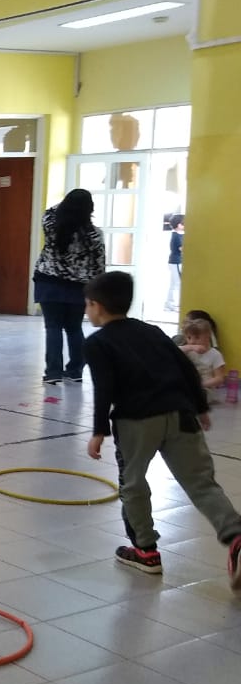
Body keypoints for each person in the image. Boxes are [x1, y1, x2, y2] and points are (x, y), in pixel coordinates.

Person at [83, 270, 241, 587]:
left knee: (134, 483)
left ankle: (146, 551)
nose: (86, 311)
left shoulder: (97, 343)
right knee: (201, 483)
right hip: (181, 413)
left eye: (87, 305)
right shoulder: (152, 331)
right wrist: (200, 407)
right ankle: (235, 535)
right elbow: (185, 369)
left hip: (137, 420)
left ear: (97, 306)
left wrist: (99, 430)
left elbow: (104, 387)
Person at [33, 189, 106, 384]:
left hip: (49, 282)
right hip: (79, 288)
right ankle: (75, 371)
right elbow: (99, 265)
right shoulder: (94, 235)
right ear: (90, 209)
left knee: (53, 327)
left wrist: (67, 206)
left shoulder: (51, 225)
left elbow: (50, 210)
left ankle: (53, 372)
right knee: (74, 328)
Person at [179, 319, 227, 397]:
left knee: (196, 396)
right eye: (189, 337)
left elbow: (219, 378)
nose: (192, 341)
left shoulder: (215, 354)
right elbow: (173, 351)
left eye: (197, 337)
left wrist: (200, 385)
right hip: (187, 384)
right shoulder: (188, 350)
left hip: (205, 388)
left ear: (208, 336)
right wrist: (190, 347)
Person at [166, 217, 184, 312]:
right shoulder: (176, 236)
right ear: (178, 225)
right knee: (177, 284)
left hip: (176, 262)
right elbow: (181, 248)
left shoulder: (179, 235)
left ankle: (169, 304)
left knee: (173, 284)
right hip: (175, 262)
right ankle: (175, 304)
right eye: (182, 224)